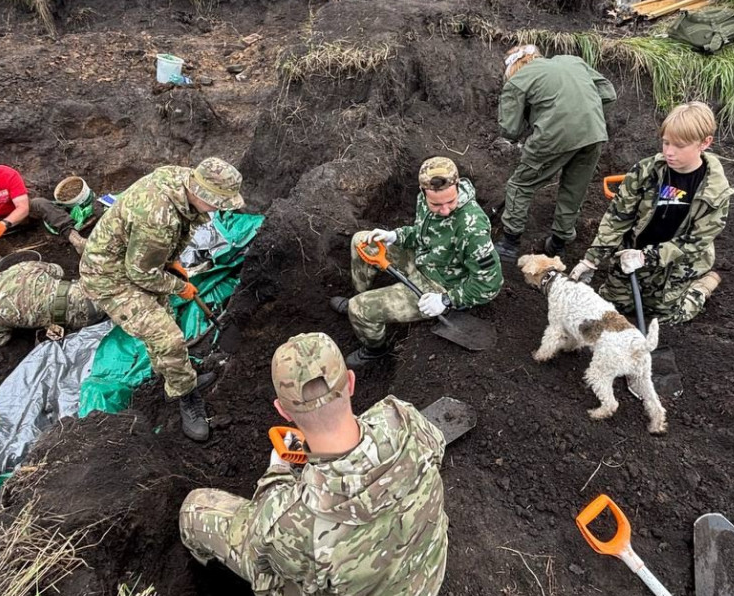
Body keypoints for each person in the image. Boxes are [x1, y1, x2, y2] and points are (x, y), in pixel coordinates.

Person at [179, 332, 448, 595]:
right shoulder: (402, 417)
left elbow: (258, 554)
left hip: (311, 555)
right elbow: (436, 448)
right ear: (351, 383)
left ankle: (203, 574)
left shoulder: (288, 520)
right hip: (425, 577)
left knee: (194, 509)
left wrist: (278, 472)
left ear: (282, 411)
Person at [78, 157, 245, 442]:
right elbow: (141, 275)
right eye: (218, 203)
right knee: (167, 338)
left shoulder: (181, 180)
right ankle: (186, 396)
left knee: (165, 319)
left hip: (138, 262)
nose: (219, 209)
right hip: (110, 276)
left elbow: (169, 239)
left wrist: (173, 262)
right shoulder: (158, 218)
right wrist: (179, 287)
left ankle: (173, 375)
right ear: (202, 194)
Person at [330, 157, 502, 367]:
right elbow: (423, 235)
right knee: (362, 241)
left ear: (457, 186)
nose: (445, 209)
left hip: (440, 285)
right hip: (423, 260)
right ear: (423, 191)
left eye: (451, 202)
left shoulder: (471, 228)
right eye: (436, 204)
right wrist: (395, 236)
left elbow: (490, 284)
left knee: (359, 309)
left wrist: (446, 300)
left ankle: (375, 348)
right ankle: (361, 298)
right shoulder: (424, 200)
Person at [572, 101, 733, 324]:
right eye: (666, 142)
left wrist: (646, 257)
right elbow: (617, 218)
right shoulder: (646, 172)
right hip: (632, 251)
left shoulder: (715, 192)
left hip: (676, 261)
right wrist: (592, 259)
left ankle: (703, 286)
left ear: (704, 143)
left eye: (679, 145)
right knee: (612, 306)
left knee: (665, 317)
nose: (669, 152)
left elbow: (696, 243)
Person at [492, 44, 617, 261]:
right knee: (574, 188)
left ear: (512, 69)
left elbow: (509, 130)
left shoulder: (518, 81)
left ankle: (509, 244)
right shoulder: (572, 61)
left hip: (553, 135)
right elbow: (608, 94)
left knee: (521, 184)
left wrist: (533, 121)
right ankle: (558, 244)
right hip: (594, 132)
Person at [0, 260, 105, 347]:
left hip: (86, 318)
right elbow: (57, 270)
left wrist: (19, 318)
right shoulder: (23, 267)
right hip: (97, 292)